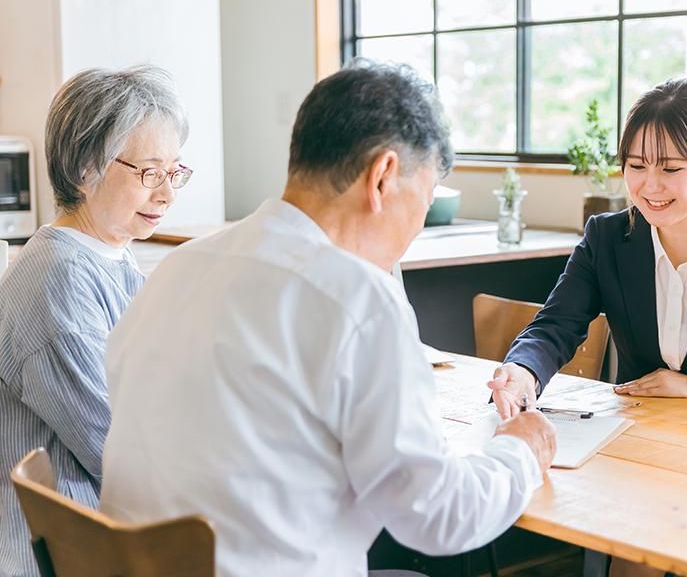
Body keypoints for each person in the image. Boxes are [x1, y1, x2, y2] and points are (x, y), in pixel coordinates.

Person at [98, 61, 557, 577]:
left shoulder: (178, 268)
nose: (415, 230)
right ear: (383, 177)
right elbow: (438, 517)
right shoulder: (359, 300)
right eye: (423, 202)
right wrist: (520, 450)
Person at [489, 78, 687, 576]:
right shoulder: (608, 239)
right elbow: (556, 325)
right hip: (640, 453)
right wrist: (522, 371)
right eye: (636, 167)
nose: (649, 187)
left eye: (671, 169)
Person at [0, 65, 191, 577]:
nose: (167, 193)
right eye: (150, 173)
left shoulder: (110, 254)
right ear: (86, 168)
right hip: (78, 552)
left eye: (174, 172)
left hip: (109, 533)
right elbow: (119, 450)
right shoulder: (56, 281)